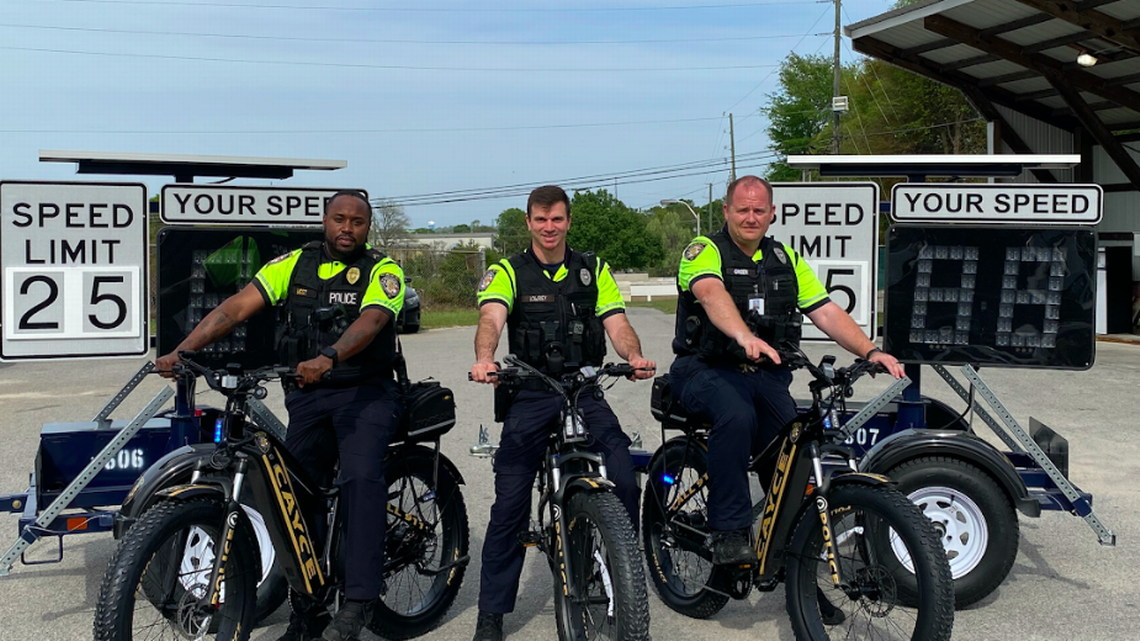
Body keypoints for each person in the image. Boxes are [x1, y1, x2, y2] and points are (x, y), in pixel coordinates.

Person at [155, 190, 406, 641]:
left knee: (360, 479)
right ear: (324, 220)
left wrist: (330, 355)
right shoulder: (292, 264)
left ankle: (360, 600)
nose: (347, 228)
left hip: (366, 395)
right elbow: (235, 307)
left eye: (358, 222)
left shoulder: (383, 270)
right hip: (308, 397)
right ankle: (308, 609)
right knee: (293, 495)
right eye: (339, 219)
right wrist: (183, 350)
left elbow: (370, 321)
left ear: (368, 228)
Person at [668, 175, 905, 566]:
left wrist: (871, 350)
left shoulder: (786, 259)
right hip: (704, 368)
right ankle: (727, 529)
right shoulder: (703, 250)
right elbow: (710, 293)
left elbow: (825, 311)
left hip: (763, 374)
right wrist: (744, 336)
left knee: (794, 443)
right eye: (741, 209)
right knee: (737, 415)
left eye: (758, 210)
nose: (750, 217)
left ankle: (798, 566)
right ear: (726, 210)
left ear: (772, 213)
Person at [468, 185, 655, 641]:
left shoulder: (593, 269)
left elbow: (617, 323)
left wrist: (633, 357)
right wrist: (485, 358)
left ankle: (621, 584)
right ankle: (491, 614)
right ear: (529, 222)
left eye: (557, 219)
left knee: (624, 476)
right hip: (530, 391)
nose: (549, 228)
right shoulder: (508, 271)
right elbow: (491, 319)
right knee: (510, 503)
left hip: (585, 389)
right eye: (540, 220)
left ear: (569, 221)